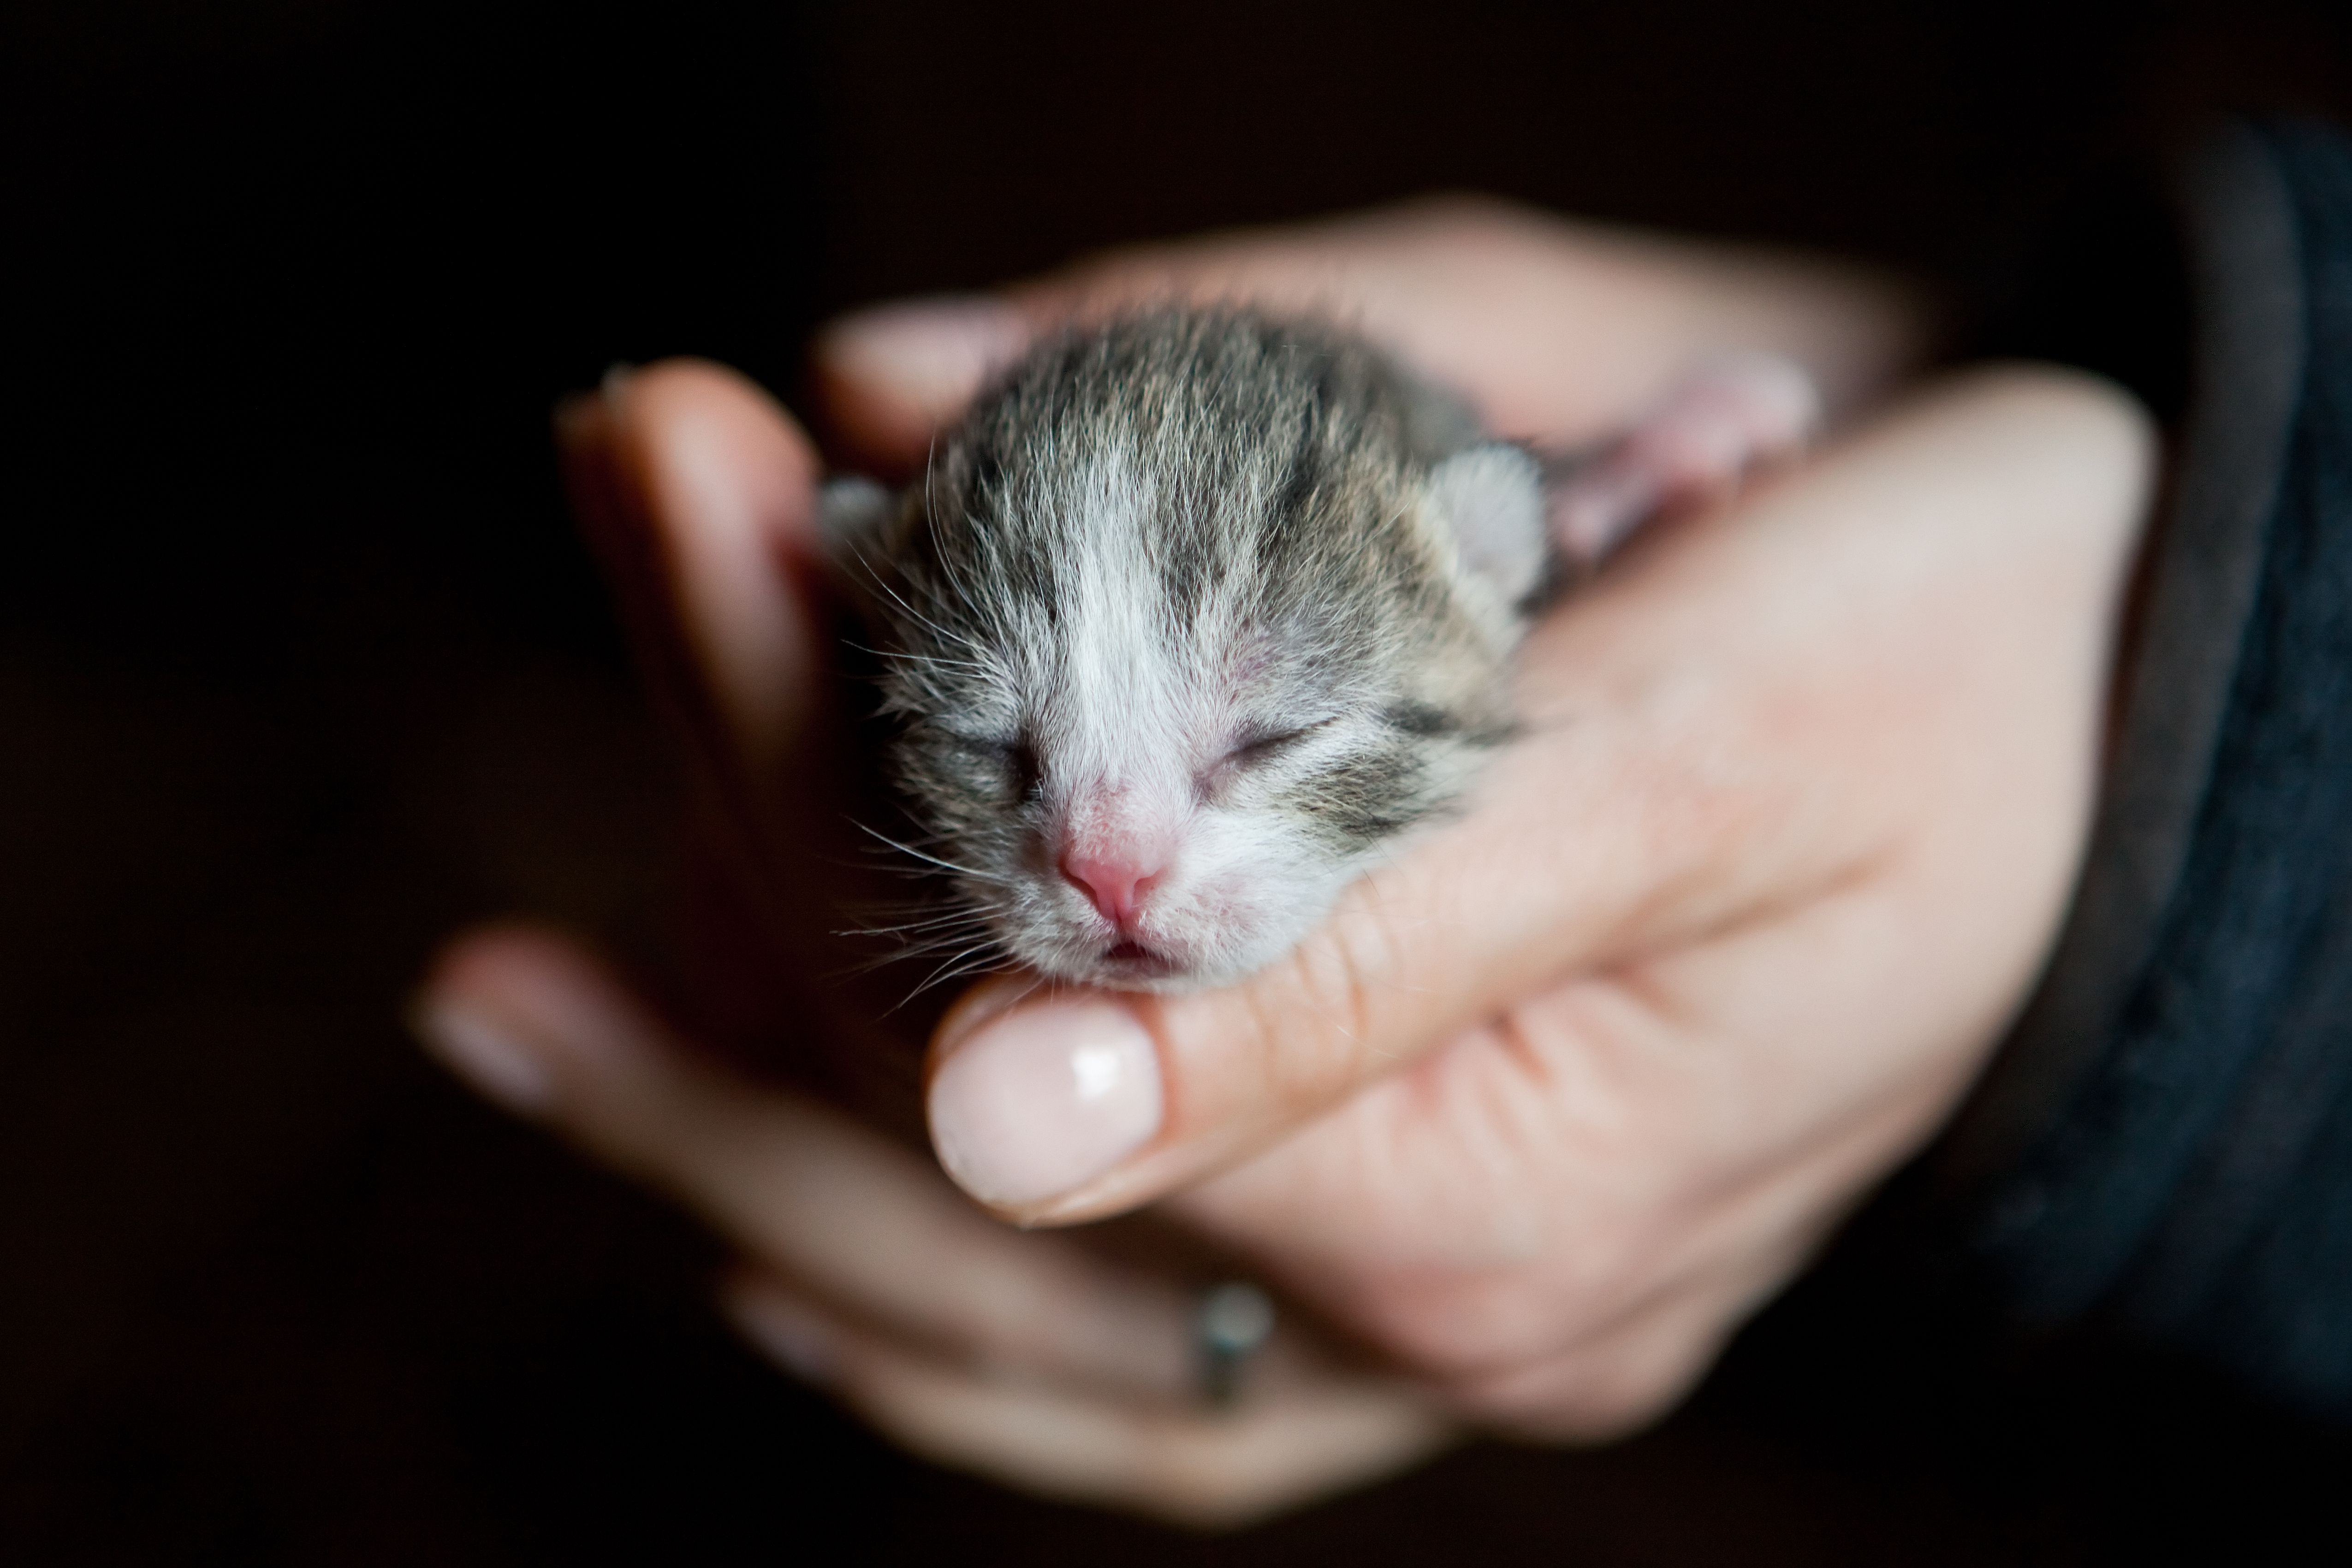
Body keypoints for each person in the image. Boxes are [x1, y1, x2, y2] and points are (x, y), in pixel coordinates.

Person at [412, 117, 2351, 1526]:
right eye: (993, 751)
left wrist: (2151, 773)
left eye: (1258, 743)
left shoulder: (1502, 542)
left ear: (1499, 573)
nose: (1103, 863)